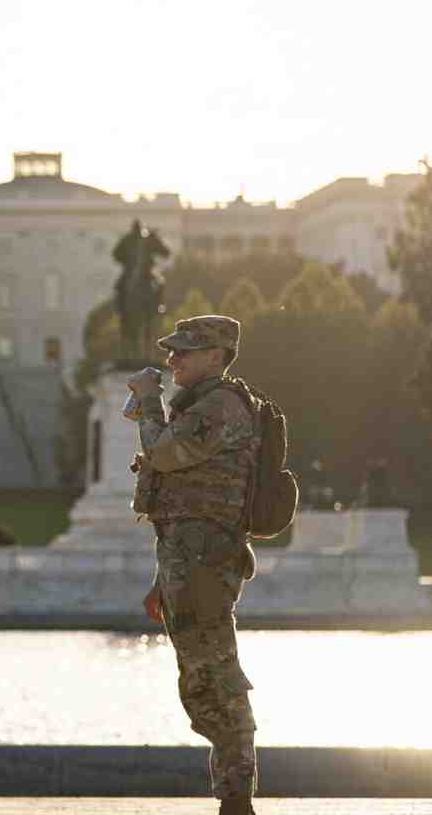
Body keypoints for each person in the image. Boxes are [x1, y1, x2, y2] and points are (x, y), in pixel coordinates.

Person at [127, 315, 262, 815]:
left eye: (184, 351)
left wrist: (148, 400)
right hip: (189, 559)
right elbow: (179, 504)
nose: (173, 359)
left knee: (216, 676)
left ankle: (237, 796)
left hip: (206, 562)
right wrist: (161, 580)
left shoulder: (221, 407)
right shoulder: (201, 405)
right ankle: (232, 792)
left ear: (216, 356)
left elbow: (163, 453)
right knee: (200, 677)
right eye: (173, 350)